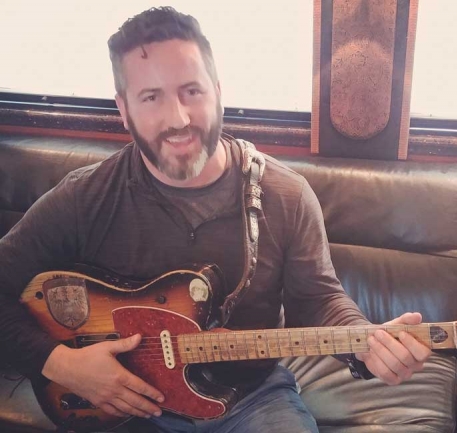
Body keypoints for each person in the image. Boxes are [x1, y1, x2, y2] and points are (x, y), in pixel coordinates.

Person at [0, 7, 431, 433]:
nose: (179, 119)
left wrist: (367, 343)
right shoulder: (84, 197)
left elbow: (318, 299)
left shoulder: (286, 195)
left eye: (192, 91)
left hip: (251, 399)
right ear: (124, 109)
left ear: (218, 91)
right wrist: (62, 364)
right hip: (121, 405)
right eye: (151, 97)